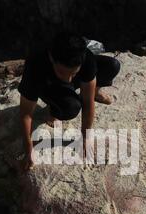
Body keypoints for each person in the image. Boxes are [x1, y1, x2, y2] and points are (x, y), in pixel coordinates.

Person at [18, 32, 121, 171]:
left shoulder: (85, 58)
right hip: (50, 84)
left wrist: (85, 138)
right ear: (52, 58)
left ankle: (97, 91)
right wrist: (28, 149)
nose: (68, 79)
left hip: (75, 72)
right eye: (62, 72)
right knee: (70, 108)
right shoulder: (36, 64)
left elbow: (87, 102)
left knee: (112, 66)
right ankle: (53, 107)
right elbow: (26, 113)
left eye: (73, 73)